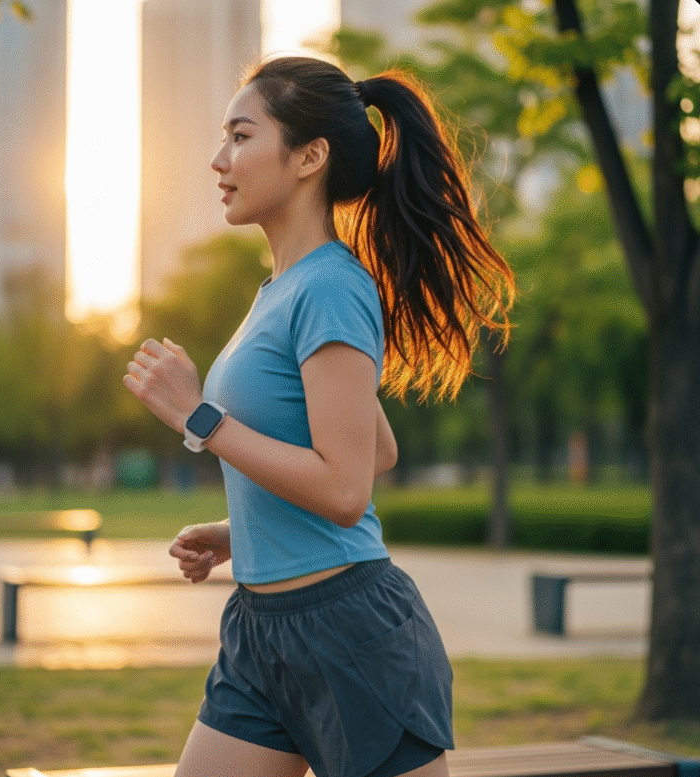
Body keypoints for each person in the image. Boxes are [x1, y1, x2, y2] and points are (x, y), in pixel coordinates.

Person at [124, 55, 514, 777]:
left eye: (241, 136)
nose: (219, 159)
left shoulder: (331, 287)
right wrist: (240, 532)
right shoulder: (280, 289)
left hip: (350, 632)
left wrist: (199, 416)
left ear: (310, 156)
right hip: (260, 634)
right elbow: (376, 450)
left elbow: (345, 490)